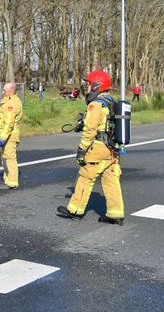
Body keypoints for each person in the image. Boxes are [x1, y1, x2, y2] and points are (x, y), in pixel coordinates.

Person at [57, 69, 125, 225]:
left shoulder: (96, 104)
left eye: (88, 84)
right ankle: (116, 214)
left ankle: (75, 210)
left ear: (96, 85)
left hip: (97, 148)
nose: (87, 87)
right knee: (111, 181)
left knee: (85, 178)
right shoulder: (112, 102)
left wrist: (82, 150)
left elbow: (90, 130)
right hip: (112, 149)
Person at [0, 82, 22, 190]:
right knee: (6, 158)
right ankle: (8, 179)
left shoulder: (11, 104)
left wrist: (3, 137)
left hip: (9, 135)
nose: (3, 92)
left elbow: (9, 123)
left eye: (5, 90)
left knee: (9, 158)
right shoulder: (12, 101)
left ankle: (12, 182)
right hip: (10, 134)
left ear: (10, 91)